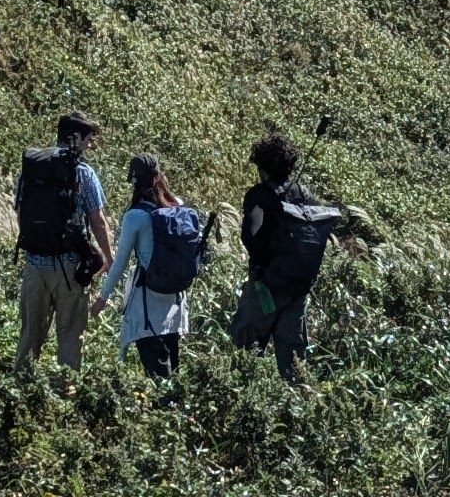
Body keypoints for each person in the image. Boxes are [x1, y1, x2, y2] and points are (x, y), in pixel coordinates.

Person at [235, 131, 350, 379]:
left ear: (262, 166)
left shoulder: (259, 195)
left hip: (265, 288)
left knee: (243, 358)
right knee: (295, 367)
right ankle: (299, 411)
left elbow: (249, 236)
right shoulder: (306, 196)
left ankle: (243, 409)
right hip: (297, 292)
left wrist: (264, 259)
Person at [12, 110, 111, 369]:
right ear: (75, 138)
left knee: (30, 335)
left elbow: (21, 212)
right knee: (70, 336)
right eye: (88, 140)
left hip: (34, 263)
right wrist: (108, 257)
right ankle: (65, 396)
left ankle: (19, 388)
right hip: (69, 266)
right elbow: (98, 220)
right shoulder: (84, 173)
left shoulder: (31, 168)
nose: (89, 146)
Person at [107, 152, 208, 382]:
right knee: (172, 366)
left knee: (157, 375)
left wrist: (103, 297)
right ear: (158, 176)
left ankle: (165, 411)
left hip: (147, 303)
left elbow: (121, 262)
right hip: (175, 301)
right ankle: (177, 410)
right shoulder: (178, 206)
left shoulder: (135, 216)